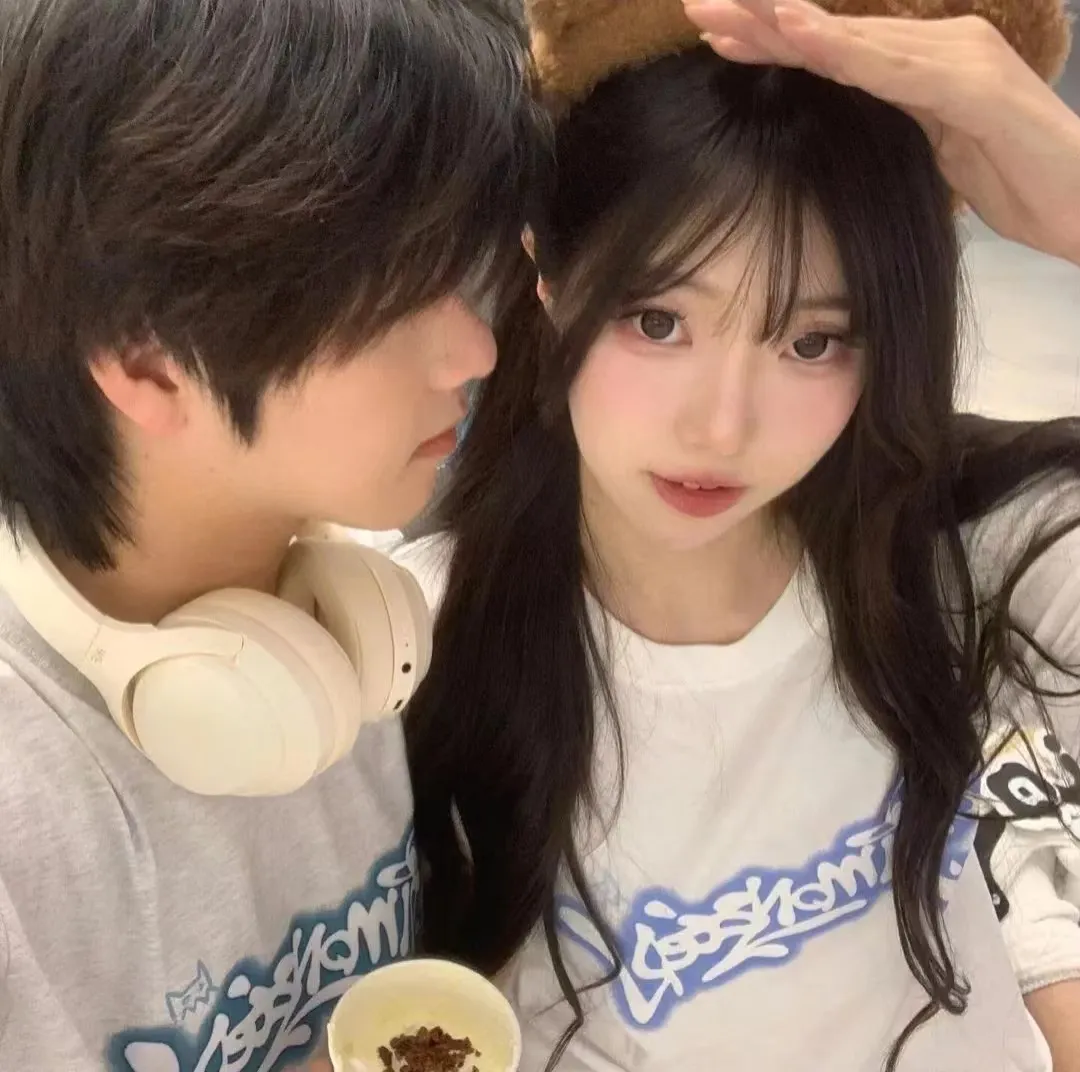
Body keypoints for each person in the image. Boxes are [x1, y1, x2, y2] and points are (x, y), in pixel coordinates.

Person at [397, 0, 1080, 1069]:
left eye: (811, 342)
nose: (722, 428)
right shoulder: (414, 640)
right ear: (547, 275)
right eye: (658, 321)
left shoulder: (968, 553)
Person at [0, 1, 544, 1069]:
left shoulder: (345, 626)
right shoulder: (27, 814)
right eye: (399, 294)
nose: (474, 351)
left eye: (459, 277)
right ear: (150, 362)